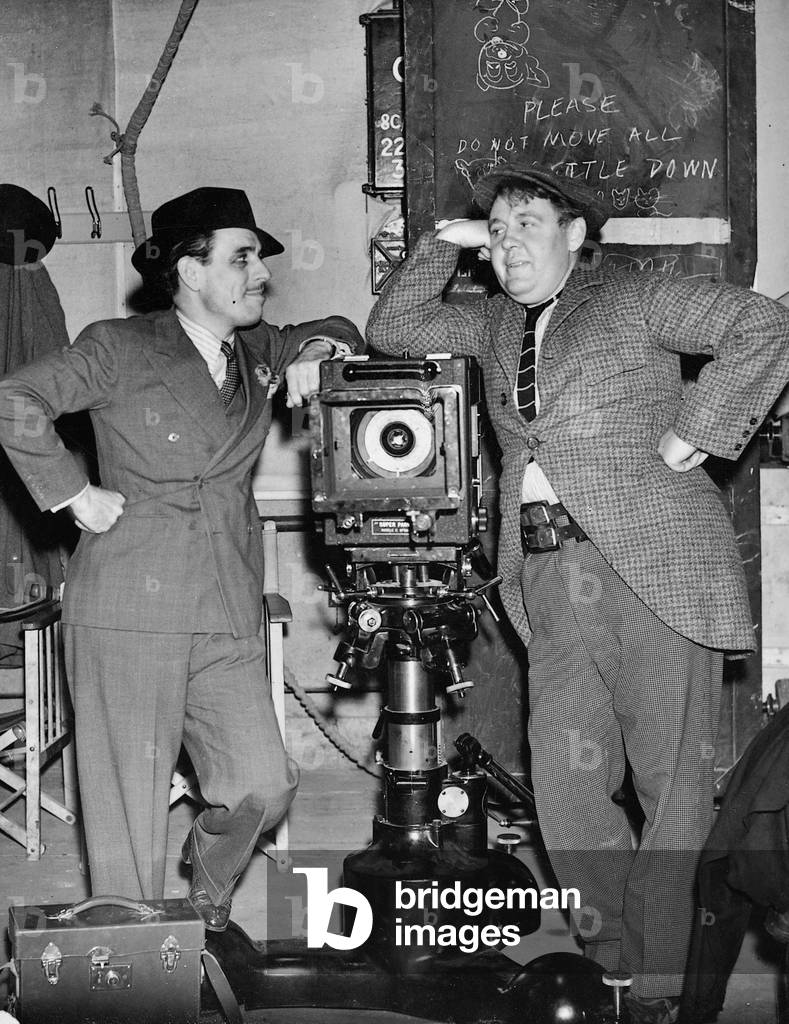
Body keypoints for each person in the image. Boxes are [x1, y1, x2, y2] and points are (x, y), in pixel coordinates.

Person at [366, 163, 789, 1024]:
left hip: (650, 566)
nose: (504, 238)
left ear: (576, 233)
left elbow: (762, 321)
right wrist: (440, 243)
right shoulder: (491, 322)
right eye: (495, 225)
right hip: (547, 575)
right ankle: (611, 971)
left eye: (525, 221)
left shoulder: (633, 298)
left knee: (669, 786)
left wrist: (693, 437)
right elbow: (394, 325)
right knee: (565, 787)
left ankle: (665, 987)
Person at [0, 186, 363, 930]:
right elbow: (14, 399)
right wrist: (73, 496)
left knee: (263, 784)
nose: (259, 271)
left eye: (258, 257)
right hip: (130, 604)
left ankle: (202, 888)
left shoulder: (258, 348)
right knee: (126, 814)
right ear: (191, 272)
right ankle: (135, 965)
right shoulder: (120, 346)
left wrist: (322, 352)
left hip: (224, 605)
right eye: (242, 257)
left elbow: (336, 325)